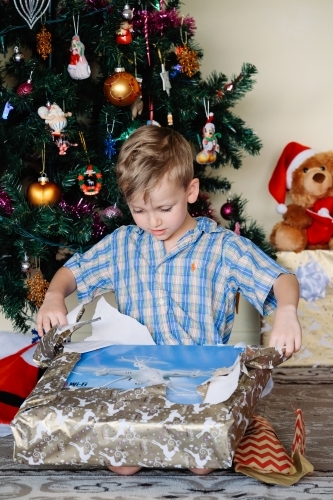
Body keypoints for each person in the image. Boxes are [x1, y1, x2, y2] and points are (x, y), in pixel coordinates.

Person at [37, 125, 302, 476]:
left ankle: (227, 427)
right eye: (140, 211)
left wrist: (286, 311)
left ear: (190, 191)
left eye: (164, 207)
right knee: (124, 466)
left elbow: (281, 279)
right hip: (138, 380)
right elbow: (74, 272)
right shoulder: (123, 244)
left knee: (203, 463)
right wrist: (54, 295)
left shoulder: (221, 247)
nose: (154, 221)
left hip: (202, 380)